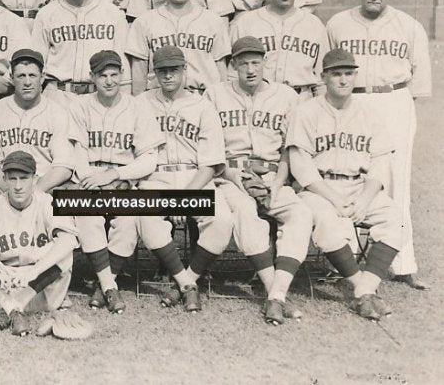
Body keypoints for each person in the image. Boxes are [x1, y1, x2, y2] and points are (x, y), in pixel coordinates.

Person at [325, 0, 431, 289]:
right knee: (344, 177)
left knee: (396, 180)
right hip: (351, 103)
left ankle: (402, 262)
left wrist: (398, 114)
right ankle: (344, 260)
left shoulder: (410, 26)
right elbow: (326, 73)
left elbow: (419, 84)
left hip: (393, 100)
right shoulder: (338, 23)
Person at [286, 48, 403, 320]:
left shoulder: (369, 112)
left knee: (395, 219)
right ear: (323, 77)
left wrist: (364, 199)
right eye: (336, 74)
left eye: (348, 73)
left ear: (355, 76)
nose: (343, 80)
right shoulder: (306, 111)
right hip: (319, 189)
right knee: (327, 224)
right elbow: (301, 167)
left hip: (359, 187)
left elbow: (380, 162)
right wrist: (335, 200)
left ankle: (365, 290)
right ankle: (362, 291)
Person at [206, 37, 312, 325]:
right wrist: (235, 178)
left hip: (271, 173)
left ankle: (277, 294)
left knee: (300, 213)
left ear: (265, 63)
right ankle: (274, 293)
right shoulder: (215, 94)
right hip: (231, 175)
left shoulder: (287, 96)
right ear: (233, 67)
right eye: (243, 64)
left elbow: (291, 148)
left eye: (256, 63)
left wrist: (277, 184)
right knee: (244, 211)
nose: (250, 70)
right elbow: (211, 148)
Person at [137, 46, 233, 312]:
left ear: (184, 70)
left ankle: (187, 280)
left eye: (174, 70)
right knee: (147, 218)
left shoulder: (203, 106)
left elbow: (211, 163)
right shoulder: (141, 103)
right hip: (155, 177)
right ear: (155, 73)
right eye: (162, 71)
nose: (168, 76)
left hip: (195, 178)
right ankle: (187, 284)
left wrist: (183, 198)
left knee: (222, 221)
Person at [71, 50, 163, 314]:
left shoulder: (137, 106)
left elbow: (150, 158)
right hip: (90, 180)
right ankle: (110, 287)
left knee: (128, 221)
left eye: (114, 75)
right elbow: (76, 152)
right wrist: (93, 180)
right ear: (92, 78)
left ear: (122, 75)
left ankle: (103, 285)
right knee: (89, 218)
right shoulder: (79, 105)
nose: (109, 81)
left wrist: (117, 176)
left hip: (123, 179)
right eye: (102, 76)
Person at [0, 150, 79, 337]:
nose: (18, 185)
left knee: (65, 246)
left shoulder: (47, 203)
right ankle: (12, 308)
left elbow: (69, 241)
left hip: (39, 289)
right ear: (4, 179)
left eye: (24, 178)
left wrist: (35, 271)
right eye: (12, 179)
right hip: (3, 287)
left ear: (34, 179)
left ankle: (10, 309)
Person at [0, 49, 78, 196]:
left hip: (44, 186)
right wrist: (9, 191)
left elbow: (63, 166)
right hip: (2, 186)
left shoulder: (58, 113)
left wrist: (36, 191)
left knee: (73, 211)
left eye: (32, 75)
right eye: (21, 76)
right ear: (11, 77)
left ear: (42, 77)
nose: (27, 82)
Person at [32, 0, 130, 102]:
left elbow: (122, 65)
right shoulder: (47, 14)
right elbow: (36, 63)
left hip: (97, 94)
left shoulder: (112, 13)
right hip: (57, 94)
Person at [126, 0, 231, 95]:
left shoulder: (213, 21)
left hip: (203, 98)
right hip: (158, 99)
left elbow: (221, 71)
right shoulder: (144, 22)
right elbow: (139, 72)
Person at [229, 0, 327, 99]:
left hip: (302, 99)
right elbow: (233, 74)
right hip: (259, 99)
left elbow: (322, 79)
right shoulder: (246, 22)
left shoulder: (314, 25)